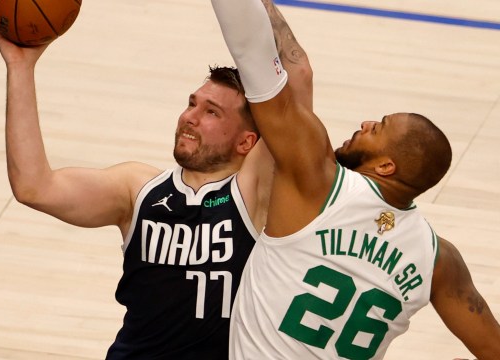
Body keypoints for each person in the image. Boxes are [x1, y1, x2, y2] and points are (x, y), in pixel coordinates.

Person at [0, 1, 299, 357]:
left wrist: (255, 8)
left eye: (211, 112)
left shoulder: (256, 192)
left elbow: (295, 79)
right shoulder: (138, 189)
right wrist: (20, 66)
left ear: (247, 141)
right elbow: (34, 187)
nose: (189, 117)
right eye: (192, 103)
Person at [210, 0, 500, 359]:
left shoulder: (318, 182)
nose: (364, 124)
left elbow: (257, 56)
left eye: (377, 128)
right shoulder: (439, 260)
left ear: (386, 167)